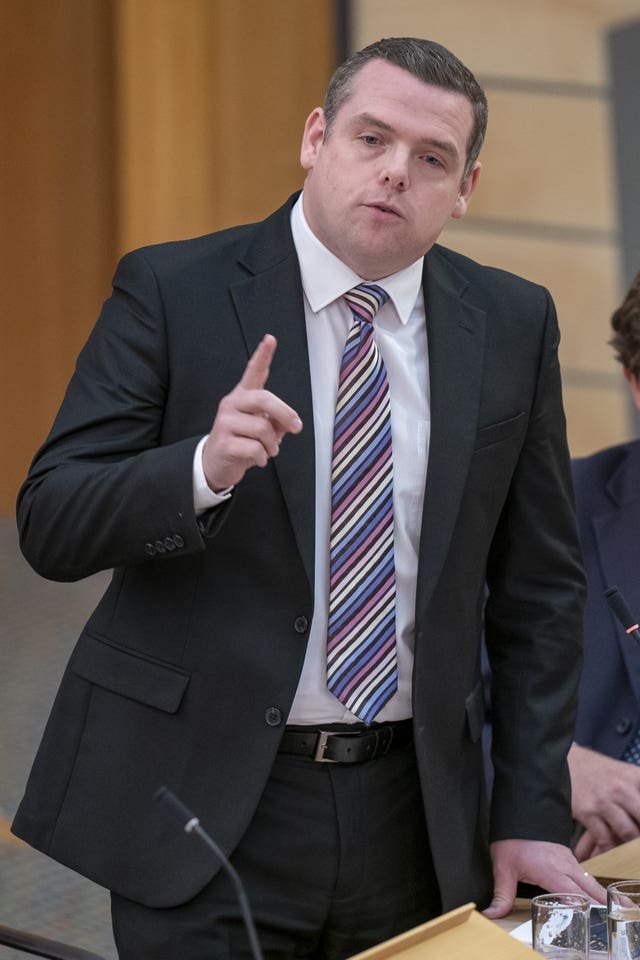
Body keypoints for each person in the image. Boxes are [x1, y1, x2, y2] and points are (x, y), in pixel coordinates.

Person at [12, 36, 603, 960]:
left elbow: (540, 591)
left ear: (467, 189)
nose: (396, 172)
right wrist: (202, 468)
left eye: (432, 158)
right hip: (206, 804)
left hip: (415, 812)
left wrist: (528, 808)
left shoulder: (513, 322)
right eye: (372, 138)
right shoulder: (176, 290)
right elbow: (51, 520)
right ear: (316, 138)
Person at [569, 268, 640, 861]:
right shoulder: (556, 502)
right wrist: (556, 767)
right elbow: (447, 702)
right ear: (634, 383)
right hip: (564, 882)